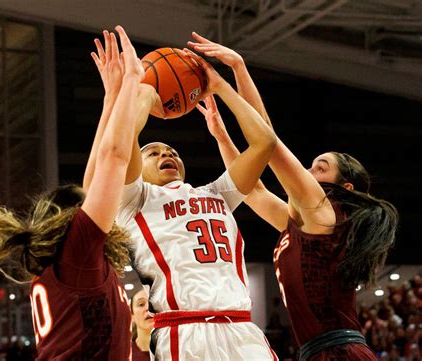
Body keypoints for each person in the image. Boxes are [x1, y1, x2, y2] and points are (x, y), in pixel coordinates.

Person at [188, 32, 399, 360]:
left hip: (341, 352)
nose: (309, 174)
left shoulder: (323, 211)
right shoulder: (303, 223)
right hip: (320, 352)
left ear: (345, 189)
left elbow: (267, 143)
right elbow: (254, 190)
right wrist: (221, 136)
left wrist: (230, 78)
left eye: (321, 168)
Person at [0, 26, 161, 360]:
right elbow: (113, 159)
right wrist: (131, 84)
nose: (97, 200)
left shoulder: (70, 262)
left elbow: (94, 180)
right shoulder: (77, 254)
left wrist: (110, 100)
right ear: (71, 220)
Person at [114, 50, 278, 360]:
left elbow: (264, 143)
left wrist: (219, 86)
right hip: (183, 331)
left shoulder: (217, 192)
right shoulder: (135, 199)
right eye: (155, 153)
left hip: (242, 329)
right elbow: (124, 141)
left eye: (172, 152)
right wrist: (146, 94)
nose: (167, 155)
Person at [130, 288, 153, 361]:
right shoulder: (124, 354)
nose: (148, 308)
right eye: (141, 304)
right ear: (131, 315)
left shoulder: (179, 349)